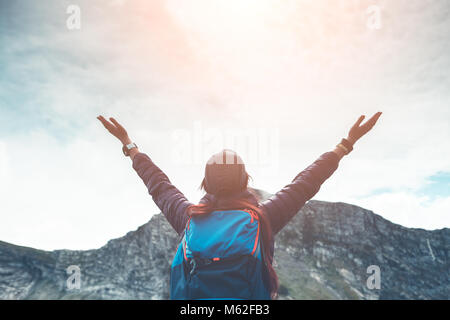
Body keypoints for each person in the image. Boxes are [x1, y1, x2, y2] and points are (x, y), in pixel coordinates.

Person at [97, 112, 382, 299]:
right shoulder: (263, 217)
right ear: (244, 179)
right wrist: (346, 144)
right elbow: (306, 182)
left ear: (205, 183)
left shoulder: (188, 219)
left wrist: (129, 145)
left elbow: (158, 184)